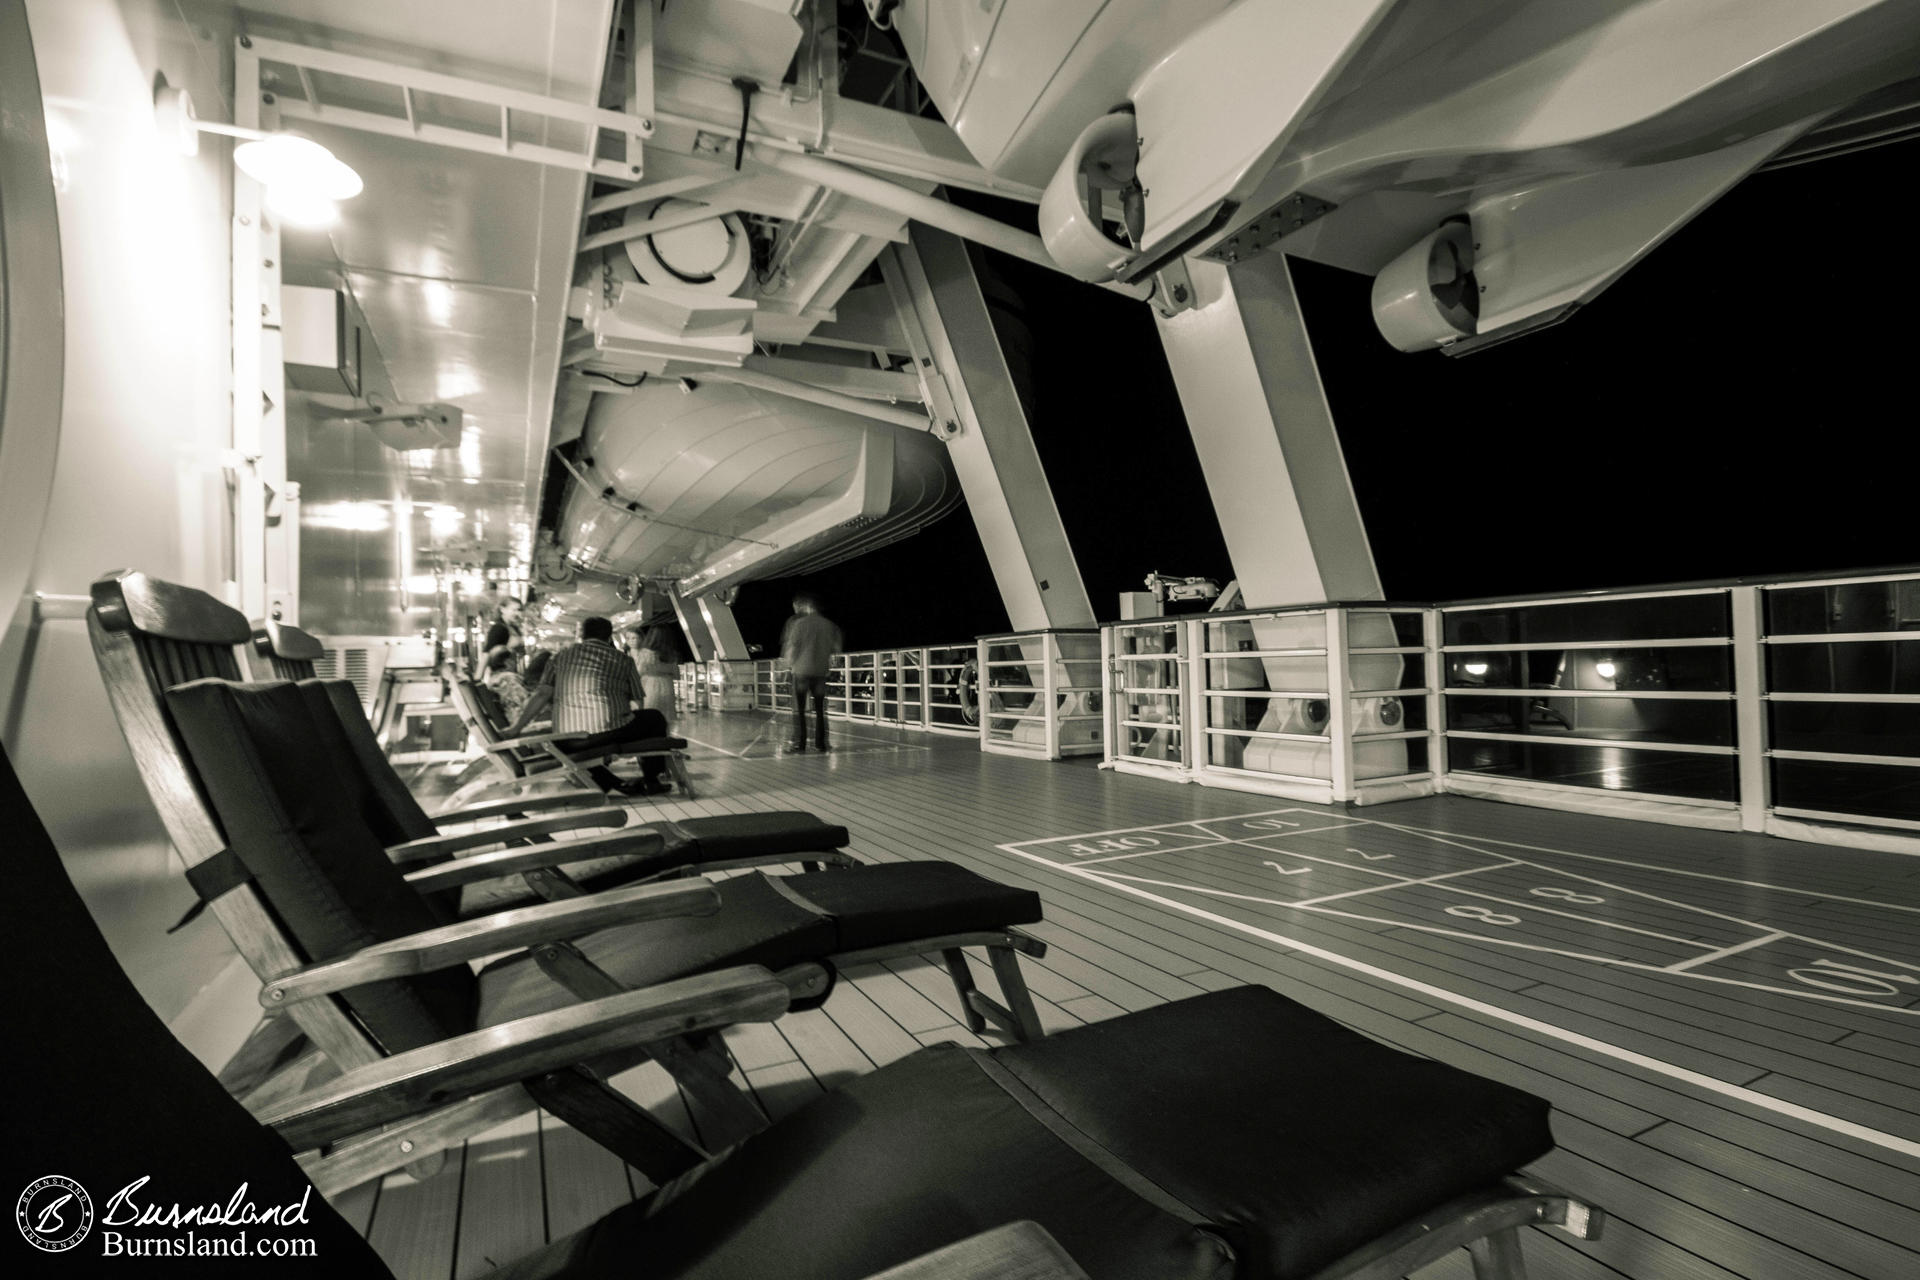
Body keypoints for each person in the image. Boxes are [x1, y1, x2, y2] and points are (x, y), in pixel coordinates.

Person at [504, 615, 670, 795]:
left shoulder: (560, 657)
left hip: (566, 740)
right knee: (654, 717)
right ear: (609, 637)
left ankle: (612, 782)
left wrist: (516, 728)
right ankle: (652, 779)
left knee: (607, 729)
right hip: (604, 735)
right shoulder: (624, 660)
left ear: (582, 636)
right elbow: (638, 701)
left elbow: (542, 694)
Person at [780, 592, 842, 752]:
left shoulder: (799, 624)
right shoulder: (829, 625)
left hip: (801, 671)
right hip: (820, 672)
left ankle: (800, 744)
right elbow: (836, 648)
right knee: (820, 709)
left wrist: (788, 666)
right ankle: (821, 744)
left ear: (807, 606)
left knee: (800, 710)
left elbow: (793, 647)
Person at [629, 623, 679, 730]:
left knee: (650, 714)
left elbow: (639, 672)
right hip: (667, 685)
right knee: (666, 717)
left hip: (650, 685)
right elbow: (676, 675)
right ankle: (666, 740)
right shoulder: (672, 654)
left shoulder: (645, 653)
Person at [482, 644, 531, 726]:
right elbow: (525, 702)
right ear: (507, 662)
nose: (516, 663)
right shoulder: (509, 679)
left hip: (509, 719)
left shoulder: (492, 680)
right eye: (515, 660)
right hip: (519, 722)